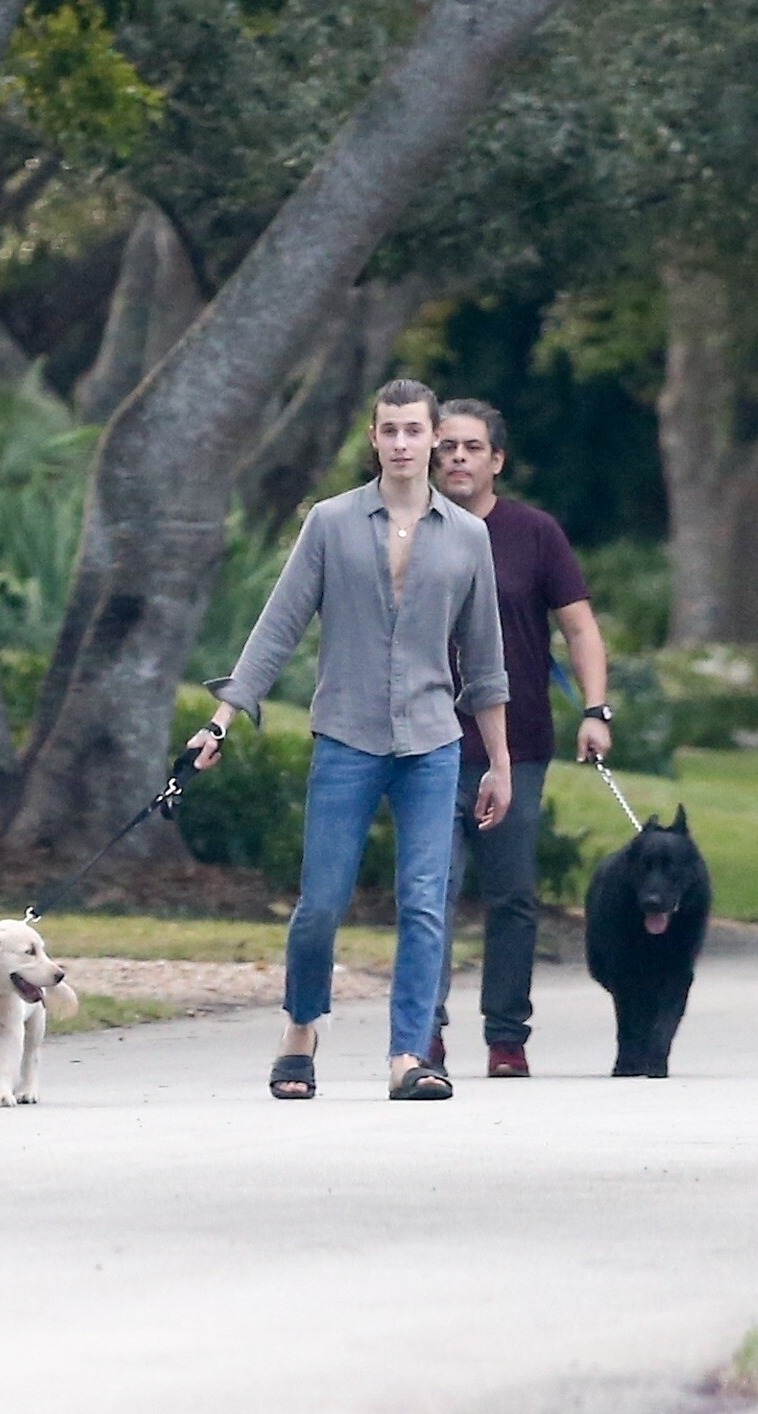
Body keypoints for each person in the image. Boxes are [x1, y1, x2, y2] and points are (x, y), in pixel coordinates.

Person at [190, 379, 512, 1102]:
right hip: (346, 737)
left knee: (425, 902)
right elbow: (277, 627)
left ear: (435, 438)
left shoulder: (468, 537)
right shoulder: (330, 523)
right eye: (388, 430)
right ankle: (301, 1028)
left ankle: (409, 1055)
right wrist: (222, 719)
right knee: (321, 905)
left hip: (432, 743)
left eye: (413, 431)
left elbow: (485, 660)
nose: (401, 443)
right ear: (373, 438)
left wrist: (498, 763)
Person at [431, 399, 612, 1079]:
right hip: (426, 744)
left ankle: (507, 1036)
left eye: (472, 447)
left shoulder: (534, 534)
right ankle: (423, 1029)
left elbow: (579, 627)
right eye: (446, 446)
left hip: (518, 745)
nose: (457, 458)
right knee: (431, 892)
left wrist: (595, 710)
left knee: (511, 896)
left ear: (496, 460)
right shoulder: (409, 529)